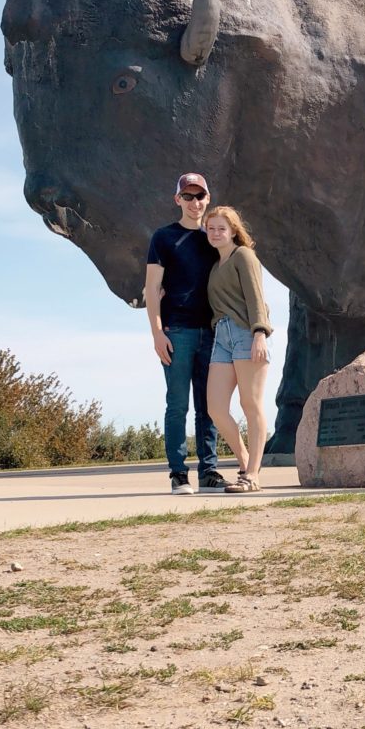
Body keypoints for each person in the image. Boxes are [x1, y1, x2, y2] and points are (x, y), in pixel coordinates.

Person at [145, 173, 227, 495]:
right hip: (176, 332)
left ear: (208, 199)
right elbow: (152, 289)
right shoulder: (163, 238)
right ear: (177, 199)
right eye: (188, 196)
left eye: (200, 196)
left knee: (210, 405)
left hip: (212, 334)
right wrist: (156, 334)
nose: (195, 203)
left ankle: (209, 471)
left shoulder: (214, 238)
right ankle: (179, 474)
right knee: (177, 405)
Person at [203, 206, 273, 493]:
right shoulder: (215, 266)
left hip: (247, 333)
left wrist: (260, 333)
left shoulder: (243, 256)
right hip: (221, 336)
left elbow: (256, 296)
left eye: (222, 228)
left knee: (250, 404)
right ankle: (244, 460)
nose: (216, 233)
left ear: (233, 231)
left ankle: (253, 475)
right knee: (216, 408)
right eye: (211, 228)